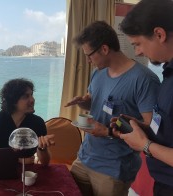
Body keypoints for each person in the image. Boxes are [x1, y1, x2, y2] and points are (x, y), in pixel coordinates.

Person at [64, 21, 160, 196]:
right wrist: (83, 102)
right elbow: (95, 102)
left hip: (113, 168)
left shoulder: (144, 80)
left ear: (105, 49)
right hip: (85, 157)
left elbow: (151, 130)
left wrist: (108, 131)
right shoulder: (99, 72)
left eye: (89, 55)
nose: (87, 61)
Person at [118, 0, 173, 195]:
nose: (138, 52)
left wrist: (145, 145)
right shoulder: (168, 72)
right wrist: (144, 129)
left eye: (138, 44)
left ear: (159, 34)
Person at [0, 78, 55, 166]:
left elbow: (45, 163)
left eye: (31, 95)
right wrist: (18, 160)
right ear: (13, 101)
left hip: (28, 174)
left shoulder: (37, 122)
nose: (32, 100)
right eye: (26, 96)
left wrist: (43, 148)